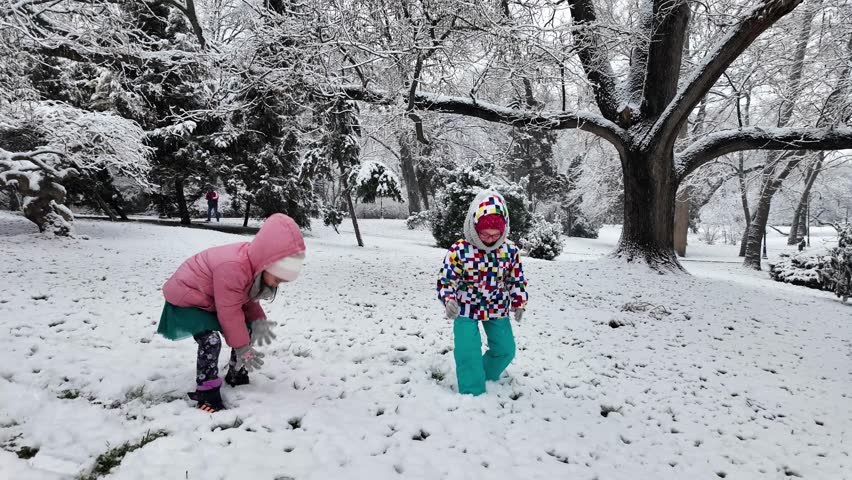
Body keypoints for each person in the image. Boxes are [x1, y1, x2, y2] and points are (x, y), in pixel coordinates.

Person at [157, 213, 306, 411]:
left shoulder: (254, 267)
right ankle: (206, 393)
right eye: (278, 280)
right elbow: (230, 311)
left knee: (247, 328)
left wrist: (258, 321)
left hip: (212, 300)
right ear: (266, 264)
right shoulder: (234, 267)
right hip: (188, 299)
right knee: (211, 341)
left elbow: (244, 300)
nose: (277, 285)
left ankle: (236, 374)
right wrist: (242, 347)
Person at [436, 190, 528, 396]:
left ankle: (481, 372)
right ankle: (472, 391)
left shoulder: (509, 251)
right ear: (474, 226)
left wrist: (519, 301)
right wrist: (449, 298)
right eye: (485, 234)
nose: (489, 239)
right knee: (468, 350)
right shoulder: (460, 250)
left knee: (505, 349)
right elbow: (447, 278)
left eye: (496, 235)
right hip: (466, 307)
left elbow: (515, 279)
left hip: (496, 305)